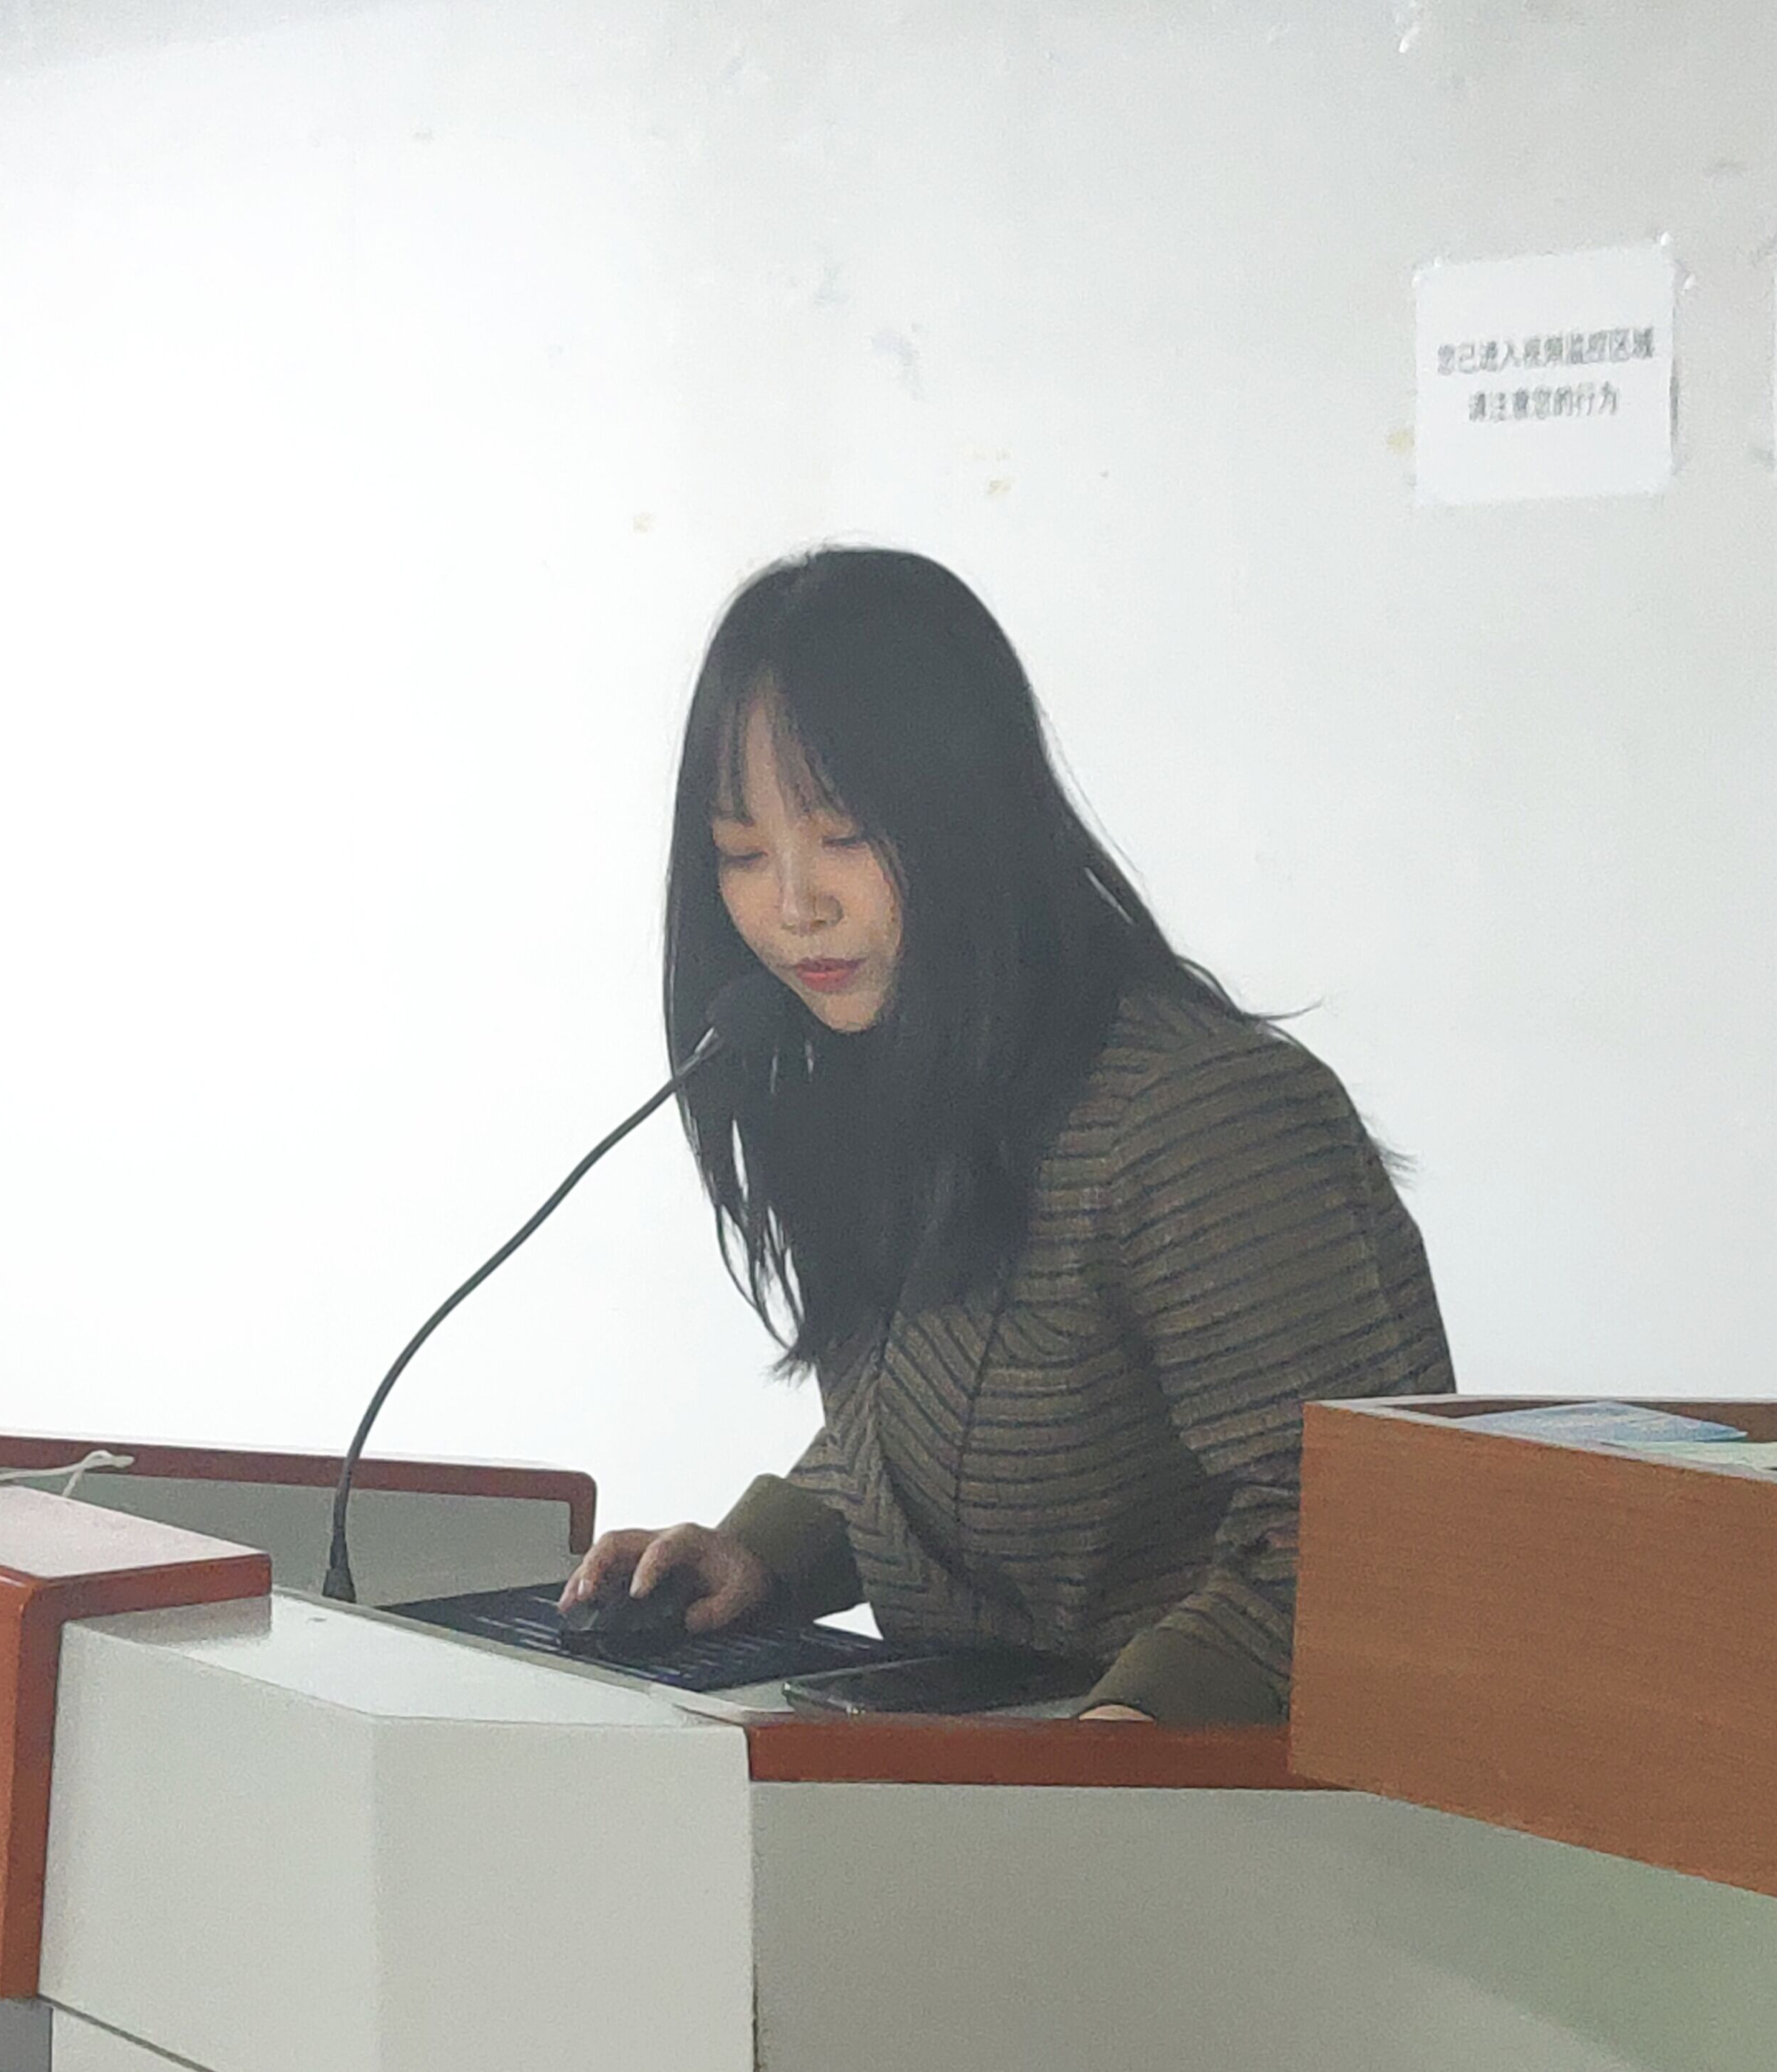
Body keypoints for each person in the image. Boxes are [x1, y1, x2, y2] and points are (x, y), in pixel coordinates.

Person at [560, 547, 1454, 1723]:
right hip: (998, 1779)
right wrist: (764, 1554)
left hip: (1214, 1798)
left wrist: (1106, 1747)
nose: (793, 904)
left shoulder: (1199, 1115)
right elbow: (949, 1436)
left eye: (844, 835)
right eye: (741, 854)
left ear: (970, 817)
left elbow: (1344, 1540)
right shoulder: (880, 1075)